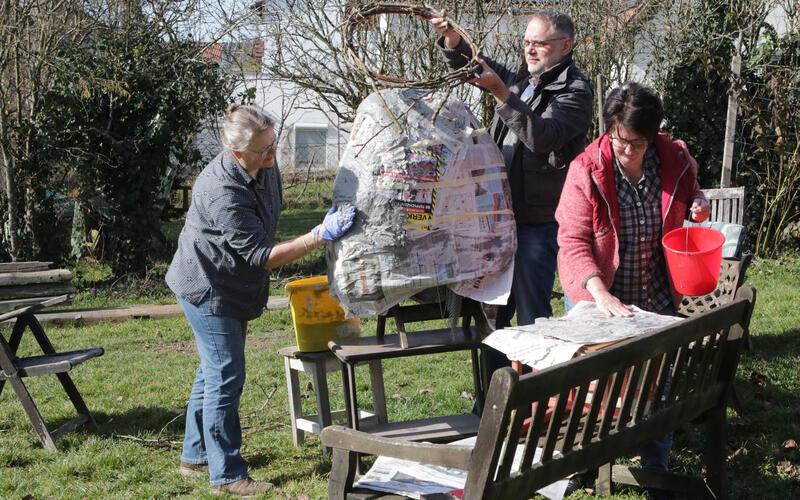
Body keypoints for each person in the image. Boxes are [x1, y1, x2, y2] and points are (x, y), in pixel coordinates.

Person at [165, 104, 355, 497]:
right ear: (237, 154)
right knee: (226, 373)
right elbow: (261, 255)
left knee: (214, 368)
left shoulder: (263, 164)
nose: (273, 156)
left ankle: (195, 455)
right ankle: (227, 474)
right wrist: (320, 235)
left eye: (273, 144)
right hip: (208, 286)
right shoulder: (222, 189)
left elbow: (268, 222)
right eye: (264, 150)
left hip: (235, 284)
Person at [555, 83, 709, 496]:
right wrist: (600, 292)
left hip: (657, 290)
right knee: (598, 385)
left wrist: (697, 201)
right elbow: (571, 240)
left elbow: (692, 187)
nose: (627, 150)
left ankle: (654, 467)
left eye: (637, 143)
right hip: (600, 294)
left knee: (656, 381)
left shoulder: (672, 155)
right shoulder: (586, 169)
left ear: (653, 134)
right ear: (610, 131)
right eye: (621, 141)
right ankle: (585, 462)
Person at [430, 9, 593, 378]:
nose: (530, 50)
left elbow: (543, 137)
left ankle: (539, 402)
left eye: (539, 43)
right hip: (499, 218)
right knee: (493, 316)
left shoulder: (575, 91)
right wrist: (453, 41)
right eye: (526, 42)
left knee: (534, 317)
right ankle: (492, 402)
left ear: (565, 46)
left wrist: (501, 94)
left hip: (538, 222)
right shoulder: (525, 78)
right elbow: (473, 65)